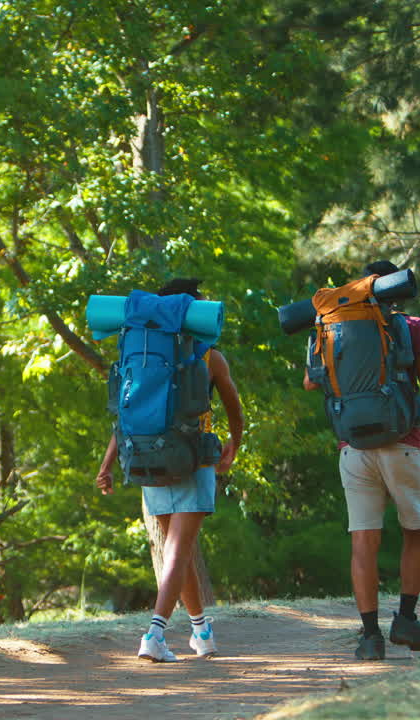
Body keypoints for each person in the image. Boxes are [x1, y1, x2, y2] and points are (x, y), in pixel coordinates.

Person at [95, 277, 245, 662]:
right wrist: (234, 445)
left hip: (145, 457)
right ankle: (154, 635)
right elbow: (233, 406)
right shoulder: (209, 356)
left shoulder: (140, 352)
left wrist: (107, 464)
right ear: (193, 313)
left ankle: (201, 632)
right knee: (179, 551)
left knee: (178, 551)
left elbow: (128, 411)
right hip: (193, 459)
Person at [303, 260, 420, 661]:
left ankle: (369, 637)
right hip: (404, 443)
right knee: (416, 531)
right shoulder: (411, 325)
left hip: (353, 447)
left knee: (364, 540)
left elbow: (311, 381)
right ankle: (407, 620)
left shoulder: (329, 324)